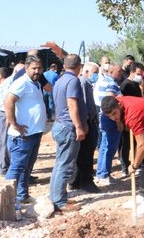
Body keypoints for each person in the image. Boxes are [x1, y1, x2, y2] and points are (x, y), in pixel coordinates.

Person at [4, 55, 46, 206]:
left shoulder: (36, 84)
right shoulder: (21, 83)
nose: (37, 71)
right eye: (33, 68)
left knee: (27, 168)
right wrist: (14, 123)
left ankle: (22, 196)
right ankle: (7, 202)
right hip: (22, 135)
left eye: (39, 68)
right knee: (16, 168)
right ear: (26, 68)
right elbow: (8, 101)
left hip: (34, 133)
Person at [49, 54, 86, 213]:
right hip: (67, 127)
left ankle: (56, 196)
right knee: (65, 165)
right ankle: (59, 202)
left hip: (59, 125)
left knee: (59, 163)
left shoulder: (60, 80)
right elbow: (72, 105)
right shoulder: (73, 81)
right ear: (79, 67)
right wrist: (78, 126)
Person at [71, 62, 100, 193]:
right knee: (86, 154)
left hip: (89, 121)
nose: (97, 75)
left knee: (83, 153)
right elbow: (81, 105)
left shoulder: (87, 83)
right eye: (95, 73)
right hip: (86, 123)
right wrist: (85, 123)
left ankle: (76, 181)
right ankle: (85, 181)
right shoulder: (83, 82)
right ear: (87, 72)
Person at [94, 60, 122, 186]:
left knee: (104, 146)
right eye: (119, 72)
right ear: (111, 71)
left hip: (104, 116)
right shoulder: (111, 83)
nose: (120, 74)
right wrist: (118, 121)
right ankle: (104, 174)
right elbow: (111, 102)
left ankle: (101, 174)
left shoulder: (103, 81)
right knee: (110, 147)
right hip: (110, 117)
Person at [119, 62, 144, 176]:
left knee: (136, 142)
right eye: (138, 74)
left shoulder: (136, 85)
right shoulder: (125, 85)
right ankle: (124, 167)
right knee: (126, 144)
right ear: (132, 72)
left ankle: (135, 164)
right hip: (127, 118)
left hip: (137, 118)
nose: (140, 76)